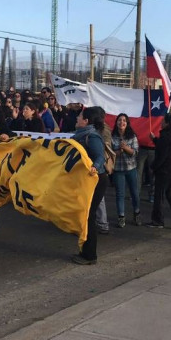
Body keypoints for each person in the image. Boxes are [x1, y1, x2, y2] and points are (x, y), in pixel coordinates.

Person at [70, 106, 109, 265]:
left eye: (79, 116)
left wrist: (94, 166)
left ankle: (90, 255)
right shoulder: (81, 135)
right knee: (86, 215)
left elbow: (100, 155)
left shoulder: (91, 136)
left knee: (89, 216)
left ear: (86, 121)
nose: (77, 119)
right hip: (89, 180)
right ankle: (85, 251)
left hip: (96, 179)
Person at [145, 113, 171, 230]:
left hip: (165, 171)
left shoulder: (165, 136)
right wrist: (155, 140)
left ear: (167, 123)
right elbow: (167, 148)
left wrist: (153, 167)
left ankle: (157, 220)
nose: (161, 122)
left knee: (159, 196)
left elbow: (162, 155)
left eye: (163, 121)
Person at [111, 113, 141, 227]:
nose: (121, 122)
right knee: (120, 194)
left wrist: (126, 148)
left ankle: (137, 213)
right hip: (118, 169)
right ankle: (121, 217)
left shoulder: (132, 136)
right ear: (116, 122)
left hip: (131, 168)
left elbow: (135, 152)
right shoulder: (112, 137)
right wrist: (119, 151)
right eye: (119, 120)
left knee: (134, 193)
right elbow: (110, 154)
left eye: (124, 120)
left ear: (127, 123)